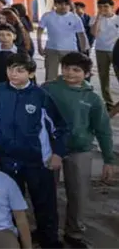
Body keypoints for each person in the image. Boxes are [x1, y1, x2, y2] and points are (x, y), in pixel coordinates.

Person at [0, 52, 69, 249]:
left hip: (38, 161)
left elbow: (60, 127)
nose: (13, 74)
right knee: (10, 203)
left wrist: (57, 153)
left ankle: (49, 240)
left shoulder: (41, 96)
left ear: (31, 74)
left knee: (44, 204)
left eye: (20, 70)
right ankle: (16, 241)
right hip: (7, 159)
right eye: (10, 69)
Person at [42, 52, 117, 249]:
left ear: (86, 73)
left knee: (78, 194)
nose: (69, 73)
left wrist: (109, 159)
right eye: (66, 68)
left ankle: (74, 232)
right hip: (50, 149)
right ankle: (47, 230)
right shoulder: (48, 89)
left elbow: (103, 130)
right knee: (46, 192)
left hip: (80, 150)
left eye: (76, 70)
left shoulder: (92, 98)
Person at [37, 0, 89, 82]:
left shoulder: (75, 17)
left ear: (69, 5)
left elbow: (81, 34)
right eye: (60, 4)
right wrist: (39, 46)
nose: (63, 6)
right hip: (52, 49)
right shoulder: (47, 16)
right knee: (50, 76)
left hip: (70, 50)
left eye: (66, 4)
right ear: (55, 5)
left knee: (71, 74)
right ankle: (50, 94)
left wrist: (83, 51)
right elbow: (39, 31)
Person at [89, 0, 119, 108]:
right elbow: (94, 33)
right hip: (101, 50)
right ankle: (109, 102)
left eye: (106, 6)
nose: (103, 9)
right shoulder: (94, 19)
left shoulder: (117, 19)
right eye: (100, 7)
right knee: (103, 76)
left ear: (112, 7)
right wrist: (98, 18)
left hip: (116, 50)